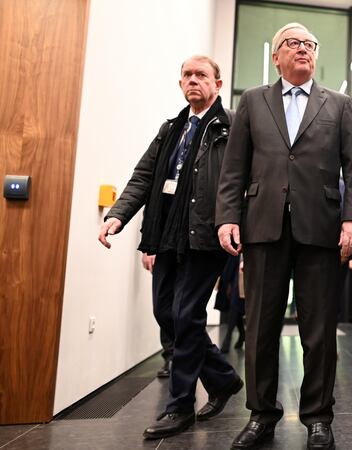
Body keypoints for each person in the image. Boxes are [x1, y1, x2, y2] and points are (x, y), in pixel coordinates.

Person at [215, 22, 352, 450]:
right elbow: (234, 167)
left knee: (318, 330)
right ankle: (262, 414)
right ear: (276, 55)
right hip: (263, 226)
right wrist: (227, 216)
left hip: (320, 228)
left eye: (309, 44)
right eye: (293, 43)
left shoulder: (337, 104)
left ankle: (318, 417)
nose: (303, 49)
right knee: (260, 326)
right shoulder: (253, 101)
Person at [98, 56, 242, 439]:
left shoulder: (231, 128)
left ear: (218, 83)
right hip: (166, 235)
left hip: (205, 236)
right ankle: (223, 378)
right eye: (187, 76)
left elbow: (240, 179)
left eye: (201, 76)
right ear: (180, 83)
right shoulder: (171, 128)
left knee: (184, 313)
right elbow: (144, 175)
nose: (193, 81)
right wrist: (119, 215)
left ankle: (179, 406)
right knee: (168, 313)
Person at [141, 252, 173, 378]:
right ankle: (171, 355)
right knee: (162, 311)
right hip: (165, 248)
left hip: (191, 248)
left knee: (185, 311)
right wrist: (147, 250)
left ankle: (180, 356)